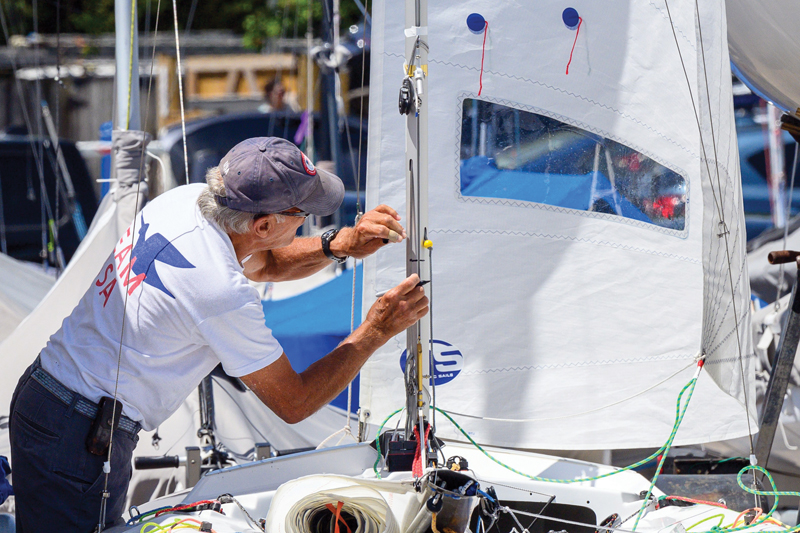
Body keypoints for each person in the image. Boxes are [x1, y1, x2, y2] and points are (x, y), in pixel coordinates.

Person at [8, 137, 428, 532]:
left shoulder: (184, 201)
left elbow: (260, 263)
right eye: (304, 216)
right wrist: (377, 329)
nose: (309, 224)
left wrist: (340, 243)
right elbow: (294, 403)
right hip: (78, 439)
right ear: (262, 226)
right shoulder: (220, 292)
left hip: (51, 404)